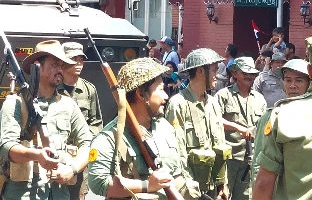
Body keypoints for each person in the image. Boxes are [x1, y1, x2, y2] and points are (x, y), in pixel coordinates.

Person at [87, 58, 201, 200]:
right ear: (141, 94)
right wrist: (147, 185)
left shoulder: (164, 127)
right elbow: (98, 183)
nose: (166, 96)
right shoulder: (110, 137)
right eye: (160, 90)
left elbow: (176, 173)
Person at [0, 40, 92, 200]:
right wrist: (36, 155)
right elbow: (6, 147)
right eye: (55, 64)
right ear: (37, 66)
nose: (60, 69)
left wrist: (72, 169)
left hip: (60, 194)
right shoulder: (16, 104)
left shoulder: (68, 105)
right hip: (24, 194)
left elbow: (88, 144)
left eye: (62, 65)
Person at [165, 48, 230, 199]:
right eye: (214, 70)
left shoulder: (213, 104)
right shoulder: (178, 104)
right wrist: (188, 189)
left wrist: (223, 184)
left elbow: (220, 145)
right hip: (189, 188)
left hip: (213, 187)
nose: (217, 75)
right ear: (201, 71)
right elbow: (177, 152)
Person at [251, 59, 312, 200]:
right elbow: (259, 166)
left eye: (299, 81)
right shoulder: (272, 115)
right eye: (288, 80)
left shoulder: (282, 113)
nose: (293, 86)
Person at [215, 57, 267, 200]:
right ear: (235, 73)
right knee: (222, 195)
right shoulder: (223, 95)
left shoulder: (259, 99)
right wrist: (237, 127)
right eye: (245, 72)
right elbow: (214, 120)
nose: (249, 76)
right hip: (228, 159)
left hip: (250, 159)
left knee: (245, 196)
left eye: (252, 74)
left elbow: (264, 127)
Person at [58, 42, 102, 200]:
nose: (78, 63)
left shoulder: (89, 90)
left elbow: (96, 123)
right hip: (59, 156)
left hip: (81, 158)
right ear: (62, 62)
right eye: (73, 59)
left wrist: (83, 140)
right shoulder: (53, 88)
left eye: (81, 59)